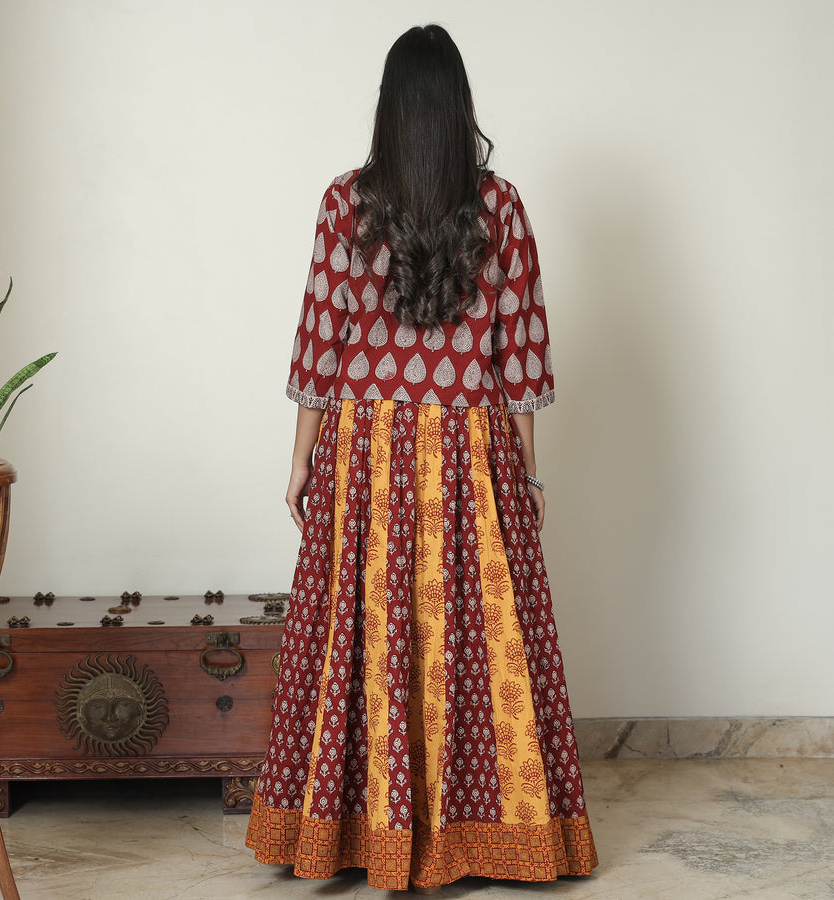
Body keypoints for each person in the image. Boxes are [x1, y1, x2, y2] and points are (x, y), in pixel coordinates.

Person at [246, 23, 598, 893]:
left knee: (357, 635)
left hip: (364, 451)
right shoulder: (499, 206)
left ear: (389, 109)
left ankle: (356, 832)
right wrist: (528, 473)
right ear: (459, 108)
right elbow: (521, 352)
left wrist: (301, 460)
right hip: (473, 449)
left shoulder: (346, 203)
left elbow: (321, 340)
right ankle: (487, 831)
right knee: (476, 642)